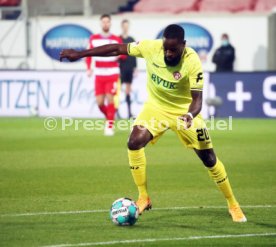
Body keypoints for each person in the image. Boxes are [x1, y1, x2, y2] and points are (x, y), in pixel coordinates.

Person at [60, 24, 247, 223]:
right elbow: (117, 48)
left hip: (184, 112)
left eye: (173, 49)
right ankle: (143, 197)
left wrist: (190, 116)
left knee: (209, 158)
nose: (168, 52)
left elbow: (197, 101)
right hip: (155, 109)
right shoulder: (151, 47)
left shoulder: (192, 61)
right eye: (166, 47)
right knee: (134, 142)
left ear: (184, 45)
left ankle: (233, 204)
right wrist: (80, 54)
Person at [86, 14, 124, 136]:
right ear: (101, 23)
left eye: (108, 22)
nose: (106, 24)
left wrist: (119, 55)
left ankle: (109, 126)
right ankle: (110, 116)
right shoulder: (94, 38)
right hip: (98, 74)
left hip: (112, 74)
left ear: (110, 23)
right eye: (104, 22)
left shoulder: (116, 39)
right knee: (100, 103)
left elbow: (124, 53)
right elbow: (88, 54)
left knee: (110, 99)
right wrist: (88, 68)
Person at [119, 19, 137, 119]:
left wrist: (135, 67)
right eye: (124, 25)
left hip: (129, 67)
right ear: (122, 26)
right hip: (120, 68)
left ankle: (129, 112)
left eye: (127, 26)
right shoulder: (118, 39)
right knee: (117, 90)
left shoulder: (131, 39)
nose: (125, 27)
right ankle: (115, 110)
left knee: (128, 90)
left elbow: (134, 54)